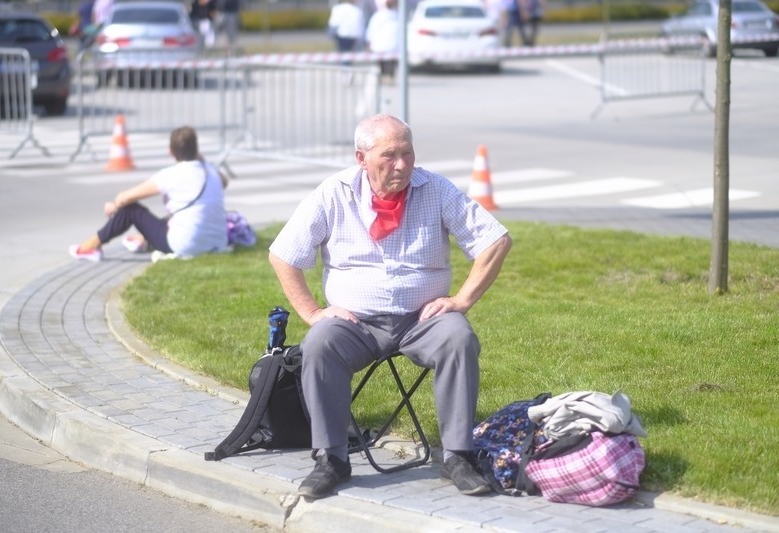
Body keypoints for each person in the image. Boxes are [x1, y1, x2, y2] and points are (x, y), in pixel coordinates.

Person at [268, 114, 513, 499]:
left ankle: (457, 456)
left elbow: (495, 241)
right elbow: (284, 254)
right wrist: (313, 313)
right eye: (389, 155)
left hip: (422, 320)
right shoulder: (334, 193)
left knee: (458, 338)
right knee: (319, 343)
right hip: (356, 323)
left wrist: (461, 300)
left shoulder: (435, 188)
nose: (401, 165)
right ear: (361, 157)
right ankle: (331, 459)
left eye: (408, 153)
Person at [69, 126, 229, 262]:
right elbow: (225, 182)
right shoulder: (211, 171)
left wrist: (114, 206)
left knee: (130, 210)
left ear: (171, 152)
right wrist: (199, 157)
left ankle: (90, 247)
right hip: (218, 243)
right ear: (196, 149)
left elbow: (125, 198)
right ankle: (144, 241)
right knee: (179, 215)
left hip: (186, 246)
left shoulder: (170, 175)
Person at [364, 0, 399, 83]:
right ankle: (389, 76)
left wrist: (368, 43)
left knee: (382, 62)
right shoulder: (397, 15)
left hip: (380, 44)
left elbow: (371, 30)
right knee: (391, 62)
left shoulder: (378, 16)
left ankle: (384, 76)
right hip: (393, 44)